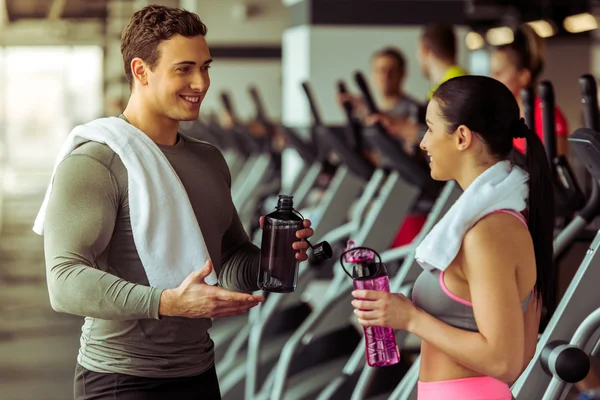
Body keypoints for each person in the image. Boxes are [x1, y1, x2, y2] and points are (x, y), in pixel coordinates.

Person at [37, 5, 314, 400]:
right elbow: (63, 282)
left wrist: (274, 256)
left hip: (199, 371)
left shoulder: (209, 159)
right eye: (184, 69)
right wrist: (168, 303)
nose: (200, 82)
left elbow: (230, 263)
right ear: (141, 71)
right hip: (121, 378)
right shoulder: (96, 162)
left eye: (206, 67)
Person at [351, 75, 556, 400]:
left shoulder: (489, 233)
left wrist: (411, 318)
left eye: (430, 129)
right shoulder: (490, 224)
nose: (423, 143)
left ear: (461, 137)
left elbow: (506, 361)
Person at [490, 24, 569, 156]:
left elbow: (554, 172)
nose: (493, 80)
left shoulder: (549, 116)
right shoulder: (499, 115)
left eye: (499, 73)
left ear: (524, 76)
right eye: (492, 73)